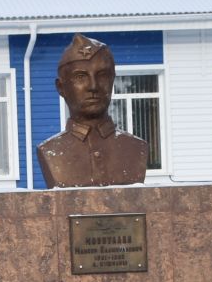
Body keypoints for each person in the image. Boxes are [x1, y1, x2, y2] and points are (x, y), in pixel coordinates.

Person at [35, 34, 148, 188]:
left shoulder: (136, 148)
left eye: (102, 76)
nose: (93, 86)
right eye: (81, 77)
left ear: (112, 81)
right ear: (61, 88)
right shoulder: (50, 151)